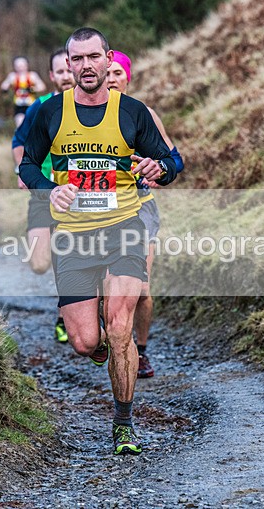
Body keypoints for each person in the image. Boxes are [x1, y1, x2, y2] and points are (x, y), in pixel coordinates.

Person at [19, 27, 177, 455]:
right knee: (86, 342)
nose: (87, 66)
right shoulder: (49, 113)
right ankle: (106, 347)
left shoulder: (133, 112)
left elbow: (173, 159)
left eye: (94, 57)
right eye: (78, 59)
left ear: (109, 61)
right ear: (67, 67)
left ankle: (123, 425)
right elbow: (28, 166)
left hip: (124, 229)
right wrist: (51, 190)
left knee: (120, 326)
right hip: (72, 237)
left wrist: (158, 168)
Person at [106, 51, 185, 379]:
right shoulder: (83, 114)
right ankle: (111, 341)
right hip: (100, 207)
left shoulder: (143, 114)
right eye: (106, 73)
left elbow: (173, 159)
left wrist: (159, 169)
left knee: (141, 287)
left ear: (128, 78)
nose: (111, 79)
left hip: (140, 206)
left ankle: (141, 350)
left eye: (117, 74)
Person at [11, 48, 75, 344]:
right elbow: (19, 141)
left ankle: (67, 315)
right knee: (39, 263)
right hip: (42, 192)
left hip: (78, 196)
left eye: (69, 68)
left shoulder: (95, 107)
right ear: (51, 76)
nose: (66, 75)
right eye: (59, 71)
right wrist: (21, 171)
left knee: (71, 256)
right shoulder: (41, 107)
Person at [0, 56, 47, 127]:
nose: (20, 68)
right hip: (19, 105)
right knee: (20, 125)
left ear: (27, 65)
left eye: (22, 66)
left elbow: (42, 87)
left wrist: (32, 89)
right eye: (18, 66)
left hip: (31, 104)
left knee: (33, 125)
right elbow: (4, 85)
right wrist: (5, 88)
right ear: (15, 67)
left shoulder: (32, 75)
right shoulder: (13, 76)